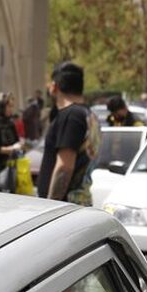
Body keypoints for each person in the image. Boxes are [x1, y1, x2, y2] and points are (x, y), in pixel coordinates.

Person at [38, 62, 101, 204]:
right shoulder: (89, 115)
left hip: (64, 208)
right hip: (78, 204)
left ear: (55, 87)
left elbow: (64, 167)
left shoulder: (71, 115)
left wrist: (51, 206)